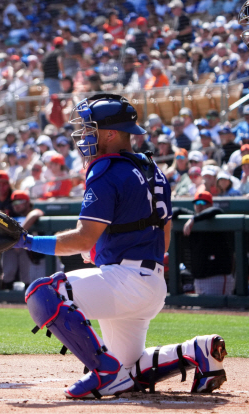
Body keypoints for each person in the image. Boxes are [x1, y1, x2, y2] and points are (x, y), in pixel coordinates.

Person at [16, 94, 226, 398]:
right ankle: (199, 350)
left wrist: (28, 241)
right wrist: (107, 252)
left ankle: (102, 371)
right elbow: (162, 239)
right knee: (127, 372)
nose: (85, 136)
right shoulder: (153, 170)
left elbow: (82, 238)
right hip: (150, 282)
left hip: (125, 281)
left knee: (43, 292)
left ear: (111, 133)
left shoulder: (105, 170)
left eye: (91, 129)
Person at [173, 191, 234, 296]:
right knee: (206, 311)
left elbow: (216, 210)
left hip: (217, 277)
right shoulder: (193, 220)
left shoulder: (216, 218)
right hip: (199, 279)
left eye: (203, 202)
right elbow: (176, 210)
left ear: (210, 204)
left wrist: (193, 219)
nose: (199, 205)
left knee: (219, 310)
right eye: (197, 203)